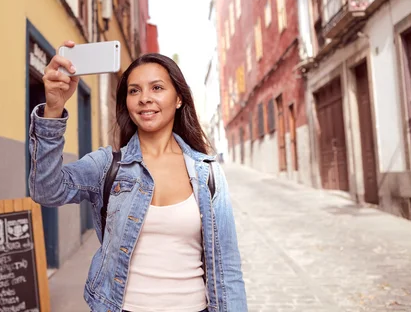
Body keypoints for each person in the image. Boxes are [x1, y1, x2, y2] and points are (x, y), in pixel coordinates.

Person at [28, 41, 247, 312]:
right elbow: (46, 190)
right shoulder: (107, 165)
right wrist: (53, 110)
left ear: (179, 98)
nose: (145, 98)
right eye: (134, 91)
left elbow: (227, 267)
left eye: (157, 87)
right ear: (127, 103)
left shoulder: (208, 173)